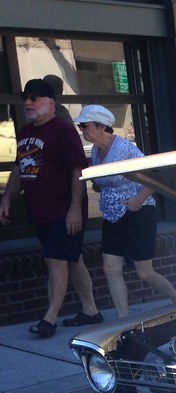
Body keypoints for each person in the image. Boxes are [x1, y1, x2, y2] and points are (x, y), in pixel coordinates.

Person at [0, 78, 102, 338]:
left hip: (64, 210)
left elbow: (77, 171)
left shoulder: (63, 130)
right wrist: (7, 198)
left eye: (34, 98)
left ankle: (50, 318)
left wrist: (75, 210)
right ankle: (91, 310)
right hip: (40, 211)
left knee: (54, 260)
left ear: (51, 103)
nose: (28, 103)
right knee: (72, 259)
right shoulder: (24, 133)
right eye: (26, 98)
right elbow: (18, 170)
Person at [74, 105, 176, 318]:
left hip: (138, 212)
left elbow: (155, 175)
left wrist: (137, 201)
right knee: (110, 268)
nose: (82, 131)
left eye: (84, 126)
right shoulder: (96, 150)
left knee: (144, 271)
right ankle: (124, 320)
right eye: (80, 126)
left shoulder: (125, 150)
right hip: (112, 215)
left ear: (101, 126)